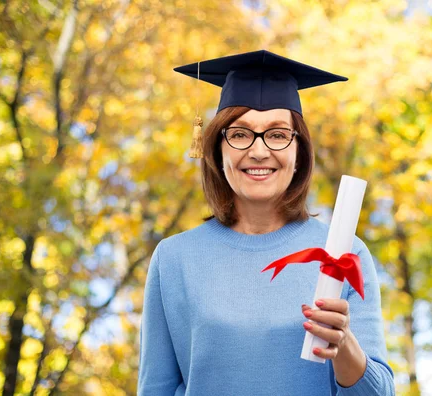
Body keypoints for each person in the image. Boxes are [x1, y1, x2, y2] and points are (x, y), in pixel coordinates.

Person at [138, 50, 395, 395]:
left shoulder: (343, 254)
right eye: (240, 134)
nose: (259, 151)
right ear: (217, 148)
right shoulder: (174, 259)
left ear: (298, 151)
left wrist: (344, 344)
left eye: (277, 134)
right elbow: (155, 388)